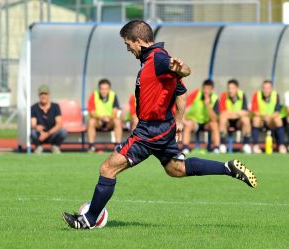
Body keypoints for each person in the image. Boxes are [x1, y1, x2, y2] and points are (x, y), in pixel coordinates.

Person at [62, 20, 258, 230]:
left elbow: (185, 70)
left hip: (149, 131)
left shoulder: (158, 58)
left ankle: (89, 219)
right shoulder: (153, 62)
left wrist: (182, 69)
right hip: (162, 129)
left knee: (108, 168)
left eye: (128, 44)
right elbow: (181, 92)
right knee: (176, 169)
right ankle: (227, 168)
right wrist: (179, 122)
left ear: (138, 41)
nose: (127, 48)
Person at [182, 79, 220, 154]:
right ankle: (185, 148)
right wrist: (184, 120)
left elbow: (214, 118)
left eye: (208, 89)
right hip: (194, 122)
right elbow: (185, 107)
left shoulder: (215, 98)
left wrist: (208, 105)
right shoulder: (196, 93)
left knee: (214, 124)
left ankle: (216, 148)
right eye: (205, 88)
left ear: (212, 89)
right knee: (188, 125)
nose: (206, 91)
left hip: (206, 123)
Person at [251, 80, 287, 154]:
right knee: (255, 119)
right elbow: (254, 111)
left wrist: (269, 117)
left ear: (271, 89)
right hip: (261, 119)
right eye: (264, 88)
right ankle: (255, 146)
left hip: (271, 120)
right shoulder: (257, 94)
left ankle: (281, 146)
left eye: (268, 88)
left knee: (278, 119)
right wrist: (264, 116)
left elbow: (277, 111)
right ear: (262, 88)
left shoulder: (275, 95)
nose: (266, 90)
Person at [87, 79, 122, 152]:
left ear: (109, 89)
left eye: (106, 89)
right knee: (91, 121)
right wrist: (101, 117)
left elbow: (115, 112)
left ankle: (118, 146)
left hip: (109, 121)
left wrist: (108, 118)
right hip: (98, 121)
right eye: (102, 89)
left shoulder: (113, 95)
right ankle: (91, 146)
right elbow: (91, 112)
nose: (104, 91)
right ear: (99, 89)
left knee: (117, 121)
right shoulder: (94, 95)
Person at [30, 85, 68, 154]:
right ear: (39, 95)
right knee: (32, 132)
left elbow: (59, 124)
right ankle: (38, 147)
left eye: (45, 94)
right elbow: (33, 124)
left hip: (52, 134)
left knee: (63, 131)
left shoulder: (55, 106)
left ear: (49, 95)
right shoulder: (34, 108)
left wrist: (47, 134)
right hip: (40, 135)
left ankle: (55, 147)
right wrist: (36, 127)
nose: (43, 96)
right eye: (41, 94)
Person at [219, 79, 251, 154]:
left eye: (233, 88)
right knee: (222, 119)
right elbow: (223, 113)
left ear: (237, 88)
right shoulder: (224, 95)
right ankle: (223, 145)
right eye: (229, 88)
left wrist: (232, 114)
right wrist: (237, 113)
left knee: (246, 119)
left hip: (238, 122)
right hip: (227, 122)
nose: (230, 90)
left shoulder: (242, 95)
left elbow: (245, 112)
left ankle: (246, 145)